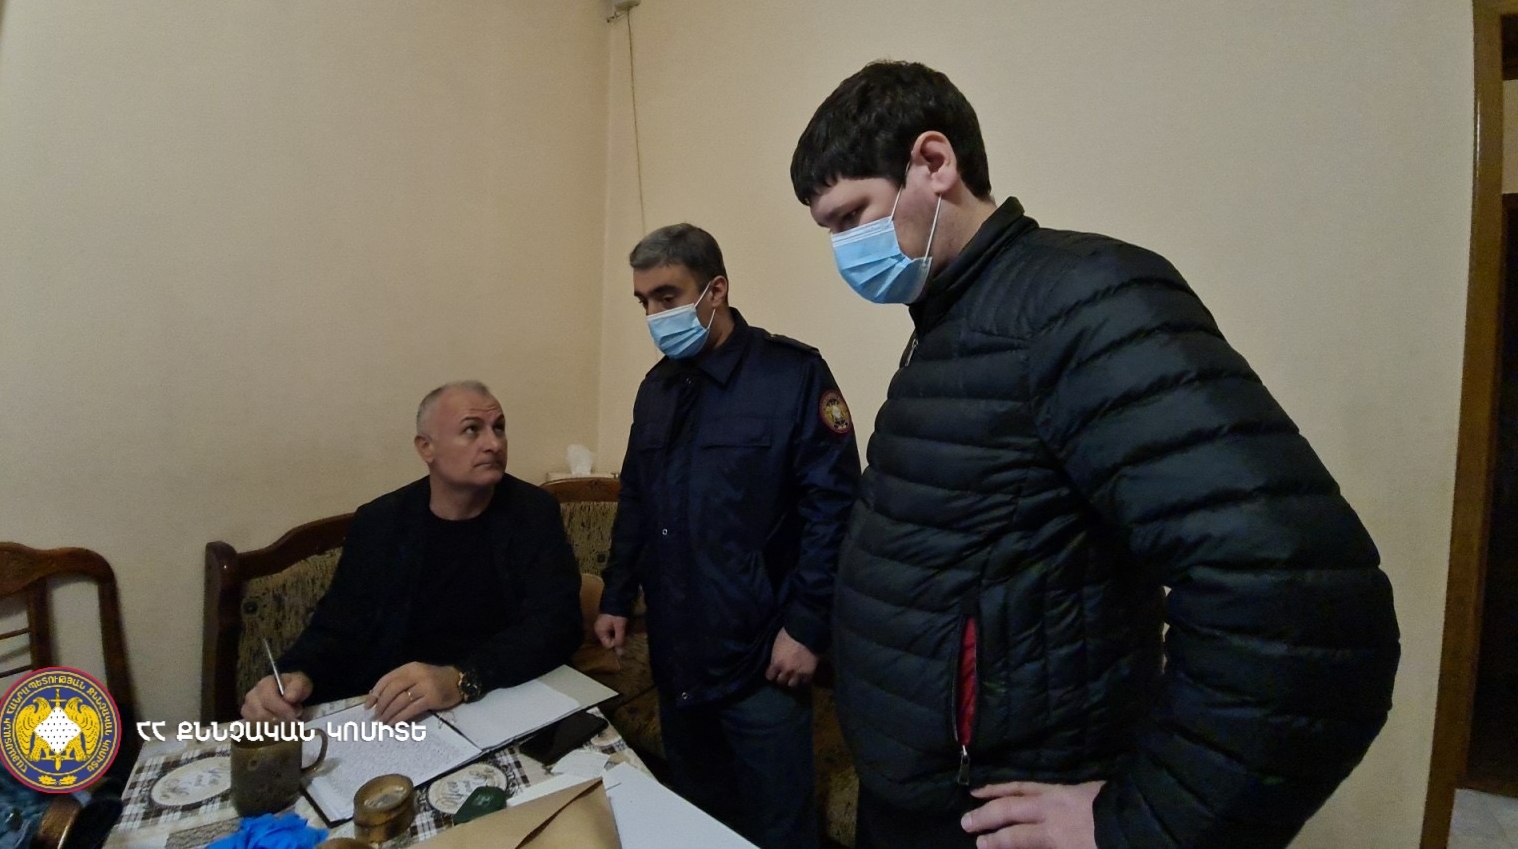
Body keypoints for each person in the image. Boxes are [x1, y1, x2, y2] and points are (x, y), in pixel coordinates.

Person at [788, 60, 1401, 849]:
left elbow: (1300, 603)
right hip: (920, 805)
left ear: (934, 163)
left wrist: (1135, 823)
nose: (845, 250)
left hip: (999, 817)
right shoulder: (952, 322)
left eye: (851, 218)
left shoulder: (1079, 302)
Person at [594, 223, 860, 849]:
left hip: (761, 662)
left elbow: (835, 508)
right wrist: (615, 595)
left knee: (779, 829)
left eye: (667, 296)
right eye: (644, 302)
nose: (654, 316)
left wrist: (806, 629)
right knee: (696, 824)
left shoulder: (791, 375)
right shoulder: (656, 389)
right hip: (677, 655)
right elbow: (636, 498)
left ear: (715, 290)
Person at [242, 381, 582, 725]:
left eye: (499, 428)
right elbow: (338, 626)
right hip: (398, 711)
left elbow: (557, 624)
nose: (493, 444)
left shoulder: (533, 512)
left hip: (499, 698)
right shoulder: (380, 522)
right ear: (426, 448)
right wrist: (296, 674)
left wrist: (461, 677)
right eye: (471, 430)